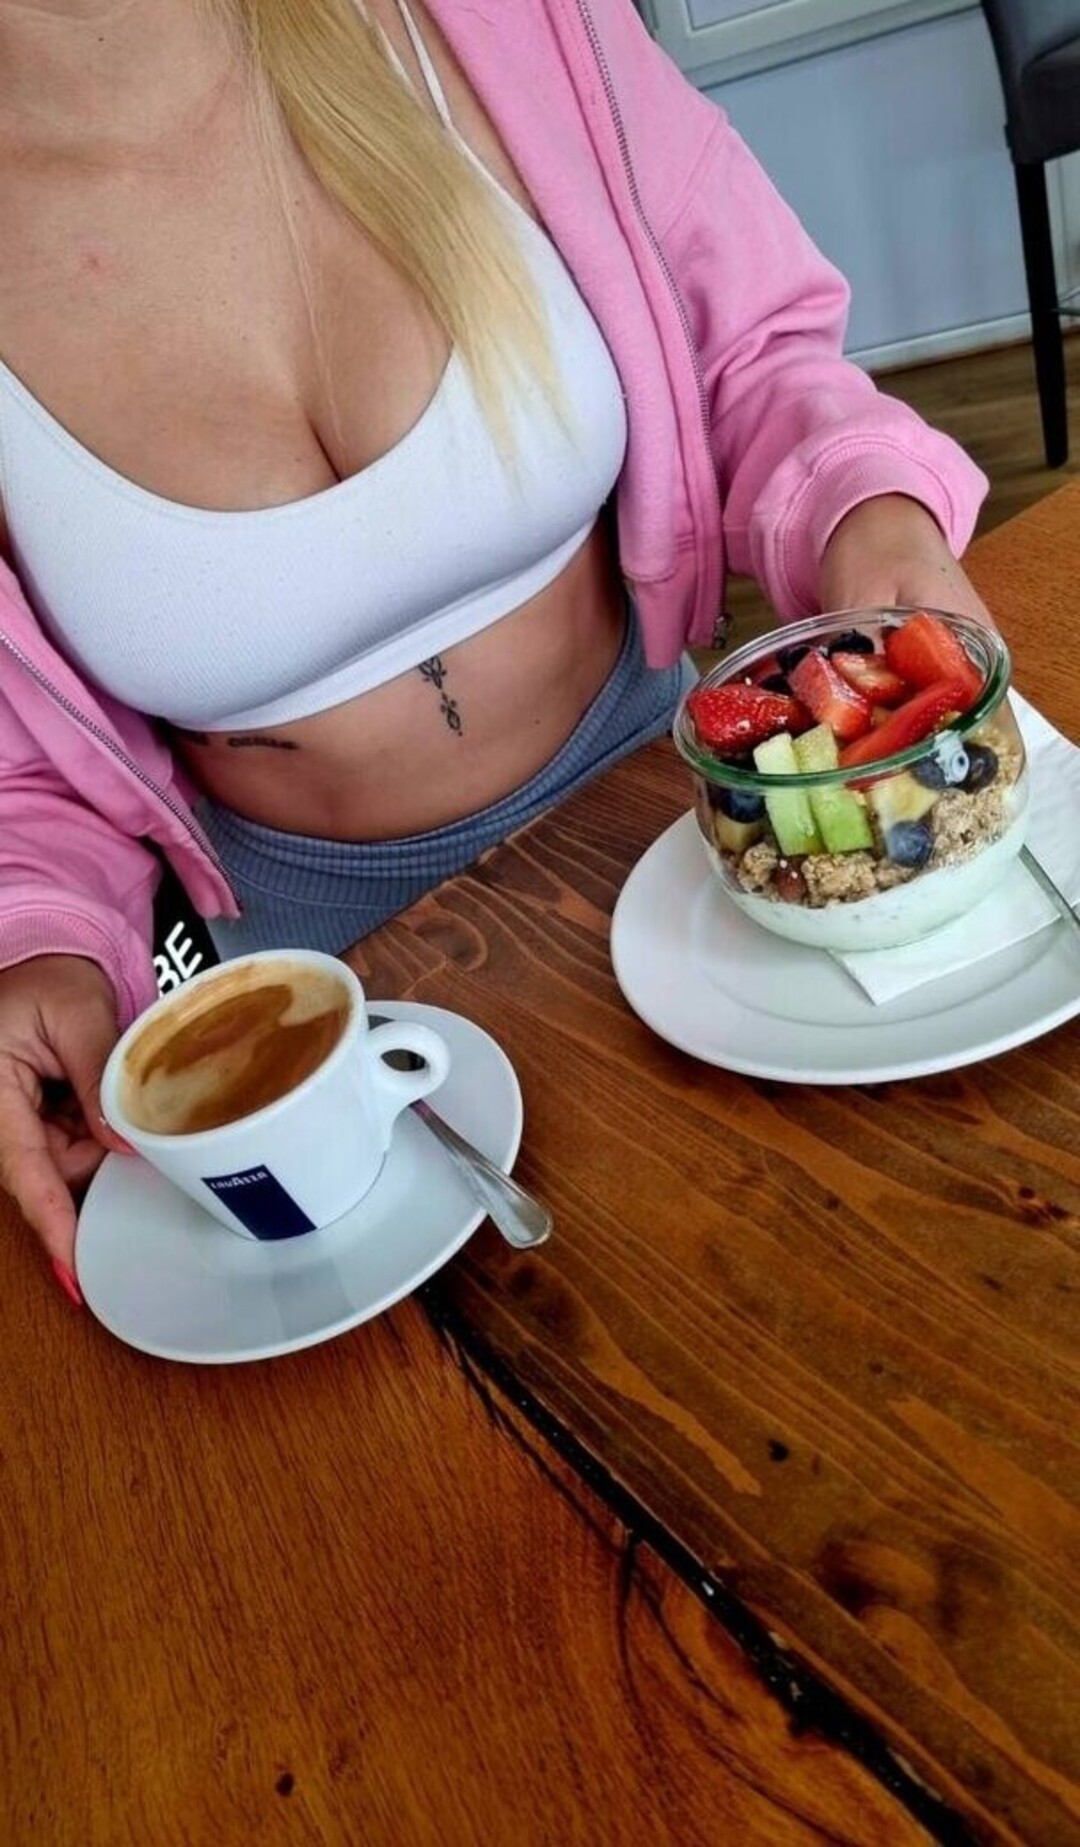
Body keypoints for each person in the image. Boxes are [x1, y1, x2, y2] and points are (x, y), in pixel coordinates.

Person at [0, 0, 992, 1293]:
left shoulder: (503, 18)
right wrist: (37, 935)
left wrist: (868, 511)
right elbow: (23, 769)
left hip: (695, 829)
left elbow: (750, 350)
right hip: (328, 995)